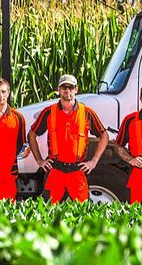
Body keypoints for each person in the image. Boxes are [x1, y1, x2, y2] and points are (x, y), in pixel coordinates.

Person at [28, 74, 109, 203]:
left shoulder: (86, 113)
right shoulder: (49, 112)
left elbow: (104, 135)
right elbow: (31, 135)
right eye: (64, 87)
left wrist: (94, 161)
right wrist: (39, 160)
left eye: (70, 87)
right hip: (55, 170)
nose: (67, 90)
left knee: (82, 213)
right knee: (49, 212)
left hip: (78, 171)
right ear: (59, 89)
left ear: (76, 89)